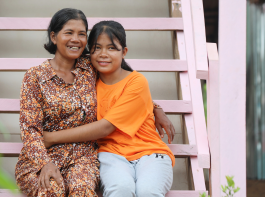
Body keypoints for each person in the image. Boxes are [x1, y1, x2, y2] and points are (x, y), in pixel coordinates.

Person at [15, 8, 174, 197]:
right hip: (45, 155)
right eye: (69, 32)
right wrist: (44, 163)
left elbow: (125, 85)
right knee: (52, 190)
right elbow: (30, 129)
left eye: (81, 34)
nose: (76, 39)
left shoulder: (89, 68)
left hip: (83, 156)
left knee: (83, 190)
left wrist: (155, 108)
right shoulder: (35, 76)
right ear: (53, 36)